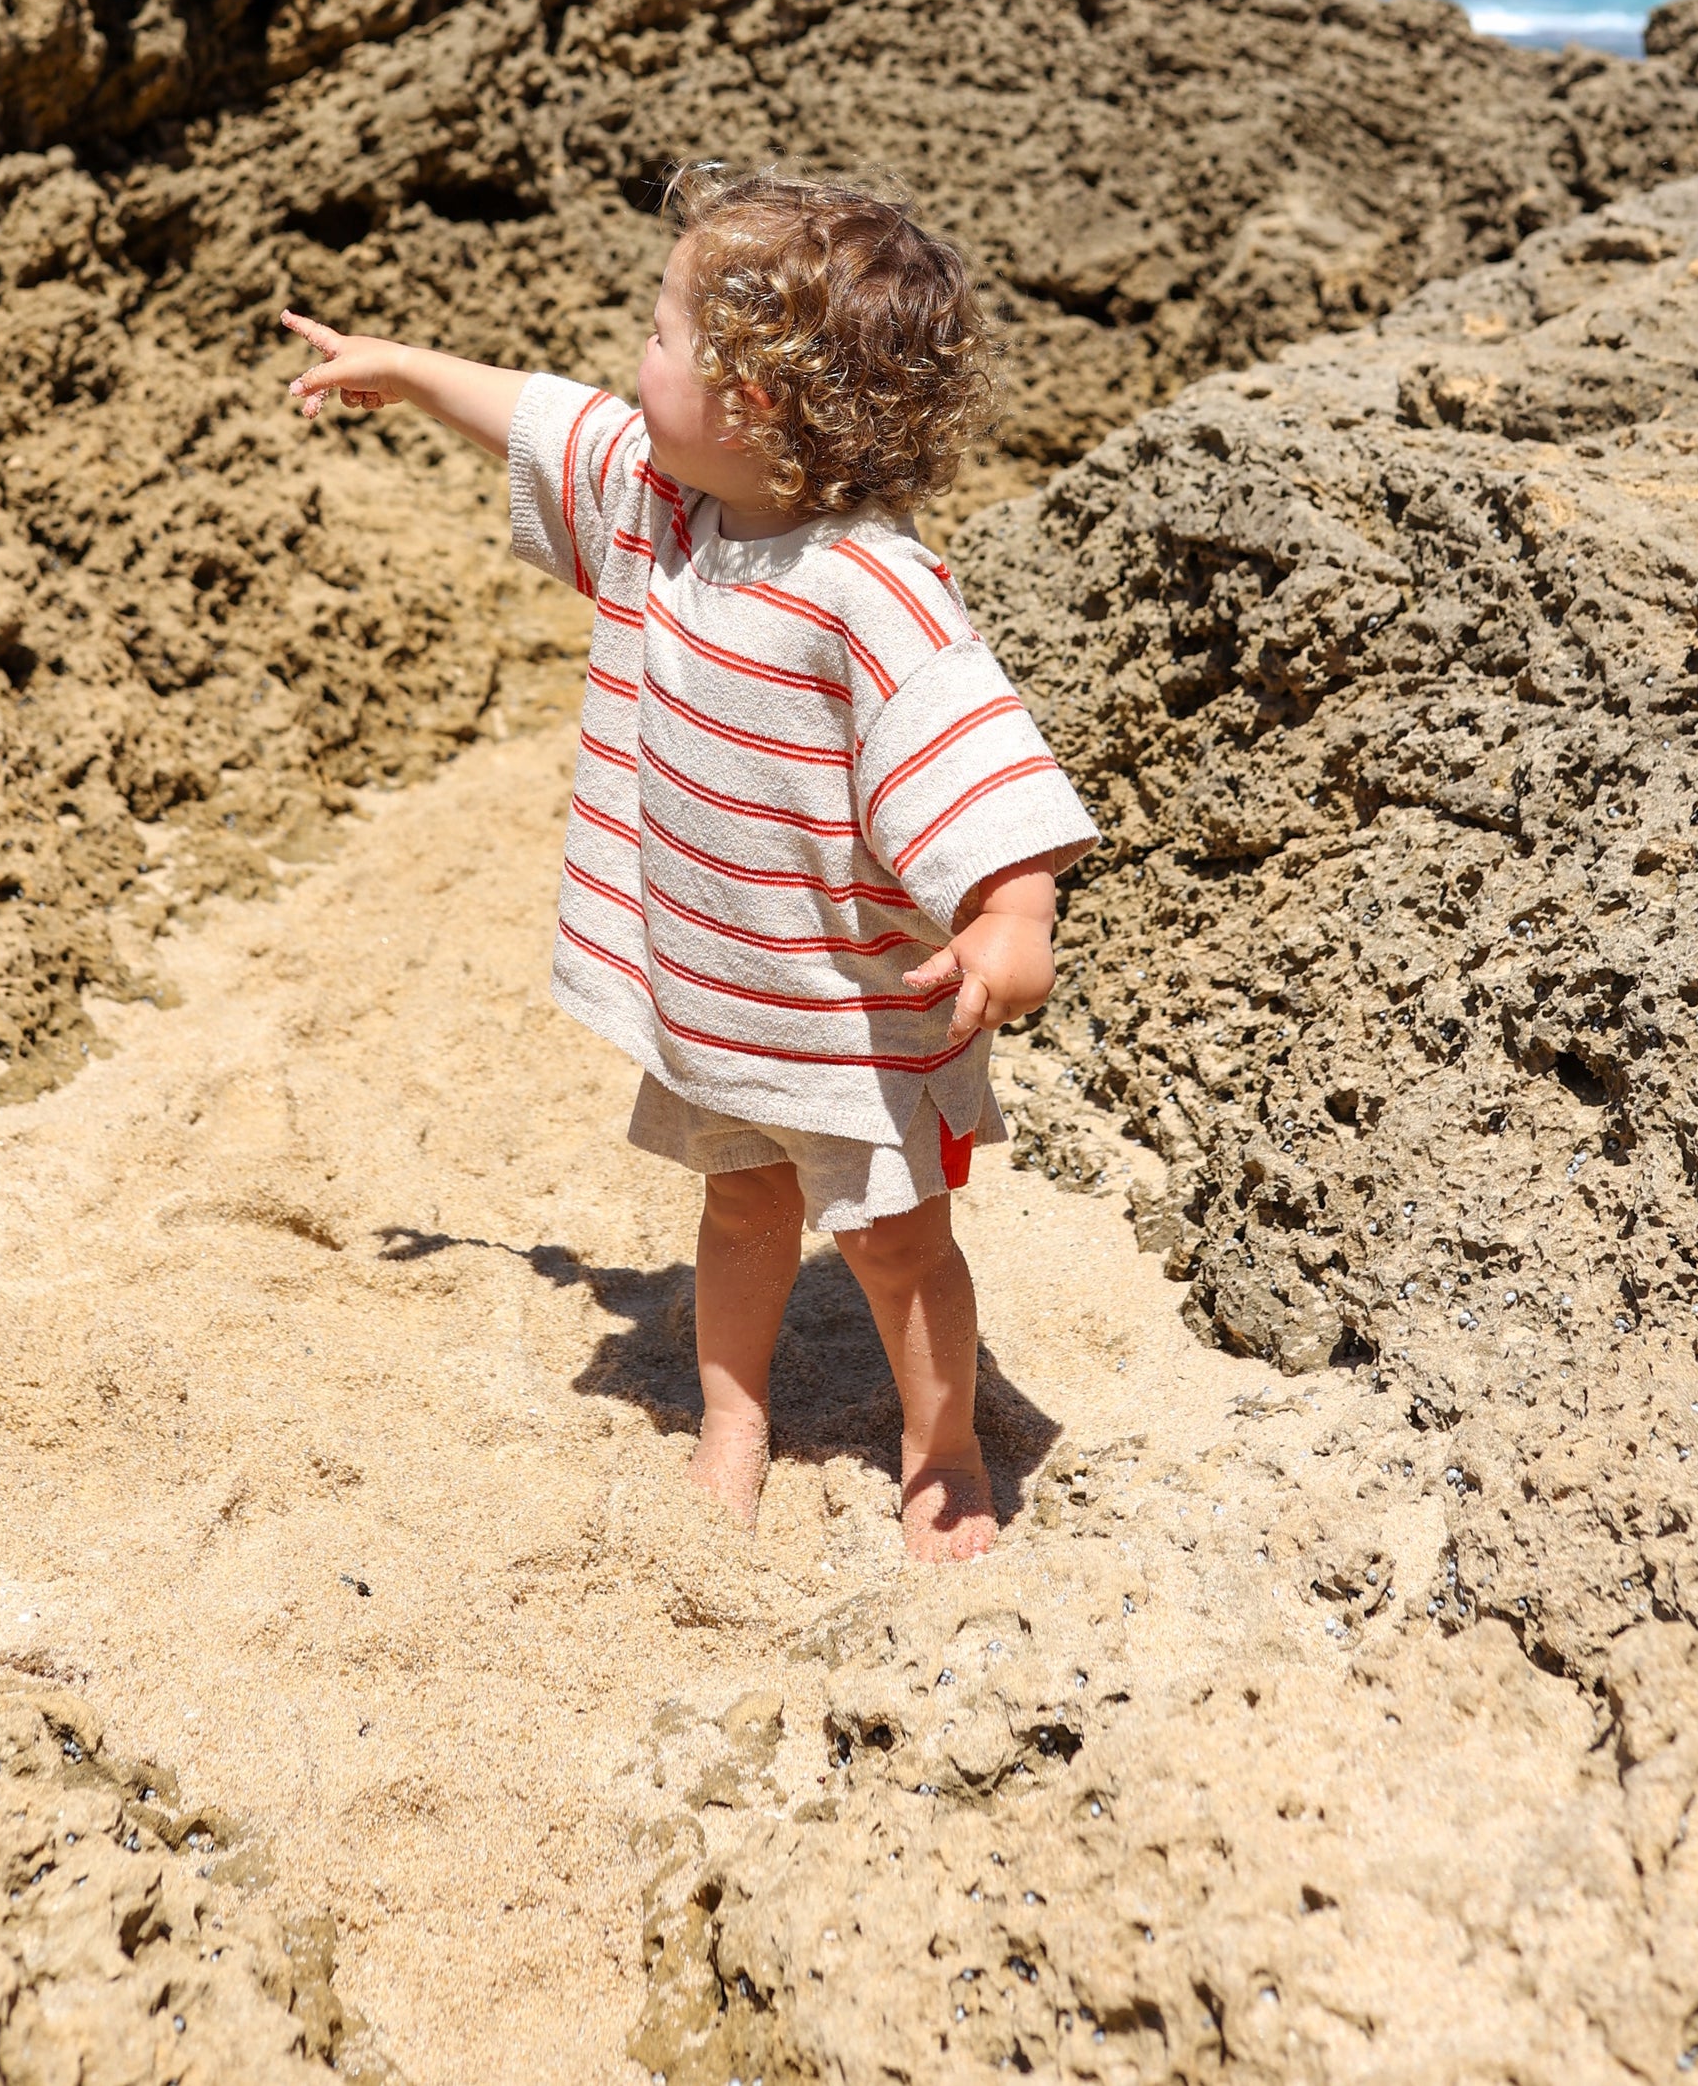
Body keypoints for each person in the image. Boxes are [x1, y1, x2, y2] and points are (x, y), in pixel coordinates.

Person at [279, 168, 1096, 1561]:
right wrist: (413, 373)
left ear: (757, 400)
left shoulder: (871, 585)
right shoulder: (667, 515)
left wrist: (1013, 918)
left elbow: (980, 759)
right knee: (737, 1205)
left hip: (849, 1019)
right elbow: (554, 422)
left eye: (661, 336)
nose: (632, 359)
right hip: (718, 992)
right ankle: (735, 1420)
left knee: (898, 1248)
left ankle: (944, 1445)